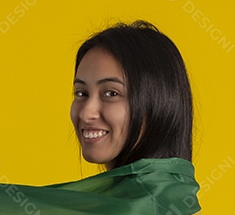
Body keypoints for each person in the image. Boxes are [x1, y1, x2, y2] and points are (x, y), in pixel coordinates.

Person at [70, 20, 194, 171]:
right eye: (81, 93)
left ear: (156, 103)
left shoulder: (153, 195)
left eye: (111, 93)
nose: (85, 113)